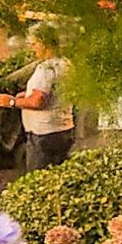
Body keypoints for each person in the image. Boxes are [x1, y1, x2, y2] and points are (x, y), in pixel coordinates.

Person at [14, 31, 75, 171]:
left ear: (45, 44)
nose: (33, 48)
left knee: (38, 176)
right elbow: (54, 92)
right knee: (58, 174)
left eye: (35, 44)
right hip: (64, 129)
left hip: (43, 133)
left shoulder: (46, 68)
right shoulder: (66, 64)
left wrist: (12, 102)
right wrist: (28, 93)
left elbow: (37, 102)